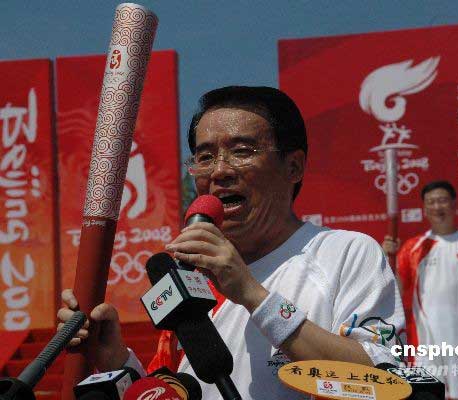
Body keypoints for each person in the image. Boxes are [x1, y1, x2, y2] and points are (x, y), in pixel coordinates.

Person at [59, 86, 405, 400]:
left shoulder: (344, 252)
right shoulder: (194, 275)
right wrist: (117, 360)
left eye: (241, 151)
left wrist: (251, 293)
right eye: (205, 157)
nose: (219, 171)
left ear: (293, 167)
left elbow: (383, 377)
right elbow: (172, 390)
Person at [382, 180, 458, 400]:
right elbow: (395, 291)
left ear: (454, 204)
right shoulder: (413, 248)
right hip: (426, 344)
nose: (437, 206)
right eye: (431, 202)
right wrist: (389, 259)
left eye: (442, 200)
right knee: (428, 395)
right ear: (424, 208)